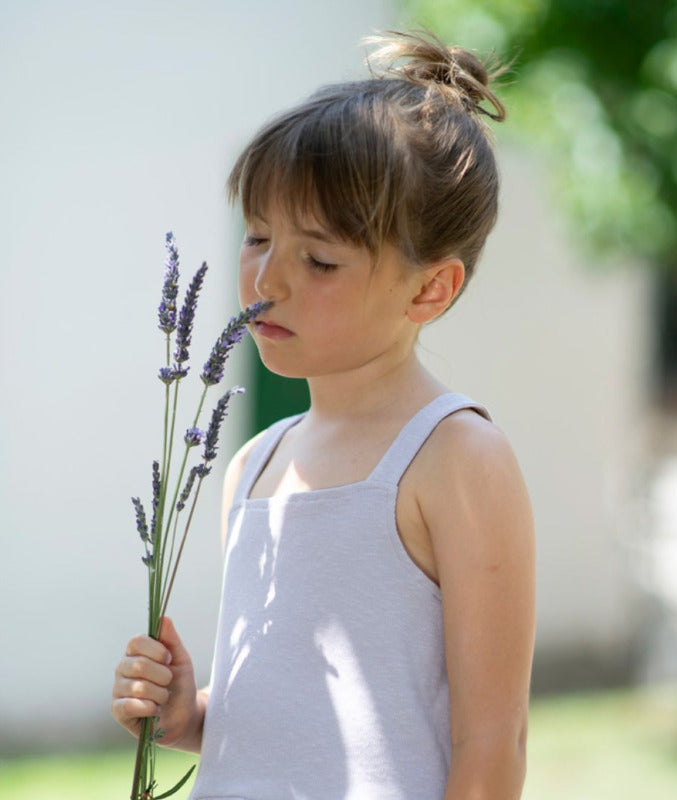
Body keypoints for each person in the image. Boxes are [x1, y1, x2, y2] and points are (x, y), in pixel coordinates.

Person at [112, 29, 536, 800]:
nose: (268, 277)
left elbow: (493, 744)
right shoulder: (253, 462)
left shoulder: (454, 457)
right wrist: (188, 716)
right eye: (258, 236)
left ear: (429, 290)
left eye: (321, 260)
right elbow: (291, 721)